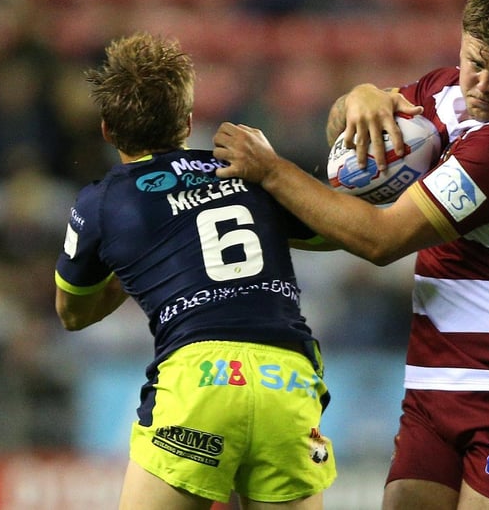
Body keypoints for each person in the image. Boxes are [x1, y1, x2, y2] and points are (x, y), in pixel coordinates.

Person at [212, 0, 489, 509]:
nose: (483, 85)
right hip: (435, 383)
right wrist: (358, 97)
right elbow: (342, 134)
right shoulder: (443, 93)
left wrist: (271, 171)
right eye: (474, 63)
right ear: (460, 43)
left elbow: (380, 239)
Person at [54, 32, 336, 510]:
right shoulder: (248, 170)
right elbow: (335, 231)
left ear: (106, 129)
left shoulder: (101, 202)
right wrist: (275, 174)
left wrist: (137, 262)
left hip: (199, 379)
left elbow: (72, 313)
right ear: (187, 122)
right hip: (287, 377)